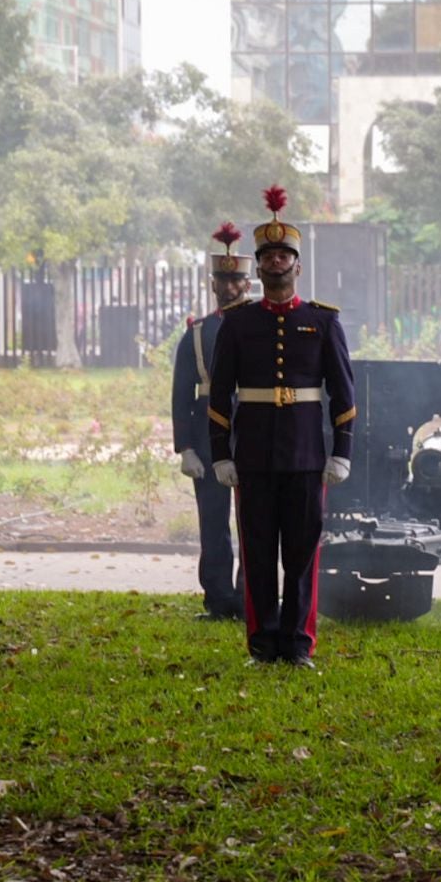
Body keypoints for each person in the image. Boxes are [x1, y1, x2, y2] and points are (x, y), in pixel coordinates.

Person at [207, 185, 356, 668]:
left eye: (284, 255)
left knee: (301, 554)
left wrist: (342, 452)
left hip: (306, 455)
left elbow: (344, 393)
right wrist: (221, 454)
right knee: (255, 552)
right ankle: (262, 645)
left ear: (298, 265)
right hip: (251, 454)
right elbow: (219, 394)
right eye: (268, 255)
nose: (276, 262)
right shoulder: (237, 323)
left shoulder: (323, 322)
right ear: (259, 264)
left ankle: (297, 644)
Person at [171, 223, 250, 621]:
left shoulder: (261, 326)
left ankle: (251, 598)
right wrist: (185, 446)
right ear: (213, 283)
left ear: (248, 283)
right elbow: (181, 392)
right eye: (223, 279)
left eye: (236, 279)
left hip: (253, 429)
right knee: (214, 524)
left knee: (254, 525)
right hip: (206, 433)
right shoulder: (198, 333)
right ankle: (219, 600)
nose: (230, 287)